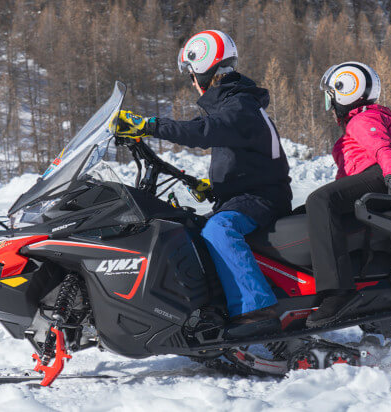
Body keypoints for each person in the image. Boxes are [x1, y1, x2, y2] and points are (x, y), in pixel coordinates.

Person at [116, 30, 293, 338]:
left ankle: (257, 310)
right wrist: (214, 189)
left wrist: (150, 126)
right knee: (189, 229)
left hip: (262, 199)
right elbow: (245, 159)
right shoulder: (237, 105)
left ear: (204, 70)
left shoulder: (239, 106)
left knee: (218, 229)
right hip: (248, 195)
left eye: (191, 73)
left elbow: (204, 131)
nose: (191, 82)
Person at [304, 62, 391, 328]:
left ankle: (337, 292)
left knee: (319, 200)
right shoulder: (364, 118)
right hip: (373, 178)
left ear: (345, 93)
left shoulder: (363, 119)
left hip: (379, 177)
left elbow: (384, 149)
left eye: (331, 97)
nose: (330, 106)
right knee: (314, 210)